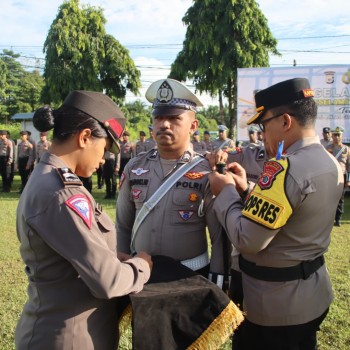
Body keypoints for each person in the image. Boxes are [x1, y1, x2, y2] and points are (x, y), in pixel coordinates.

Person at [208, 78, 344, 350]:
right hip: (311, 294)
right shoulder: (330, 161)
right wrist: (248, 189)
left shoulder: (285, 169)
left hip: (274, 307)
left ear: (285, 122)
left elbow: (247, 239)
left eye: (264, 124)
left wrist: (225, 193)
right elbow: (291, 213)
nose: (263, 133)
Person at [15, 90, 152, 350]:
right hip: (68, 338)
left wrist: (112, 256)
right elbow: (108, 281)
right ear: (85, 137)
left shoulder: (51, 179)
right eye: (104, 148)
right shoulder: (61, 193)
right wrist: (141, 265)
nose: (103, 159)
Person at [116, 78, 226, 284]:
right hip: (141, 277)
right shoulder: (134, 167)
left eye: (174, 118)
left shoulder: (206, 171)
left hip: (189, 278)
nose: (164, 124)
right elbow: (122, 225)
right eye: (158, 117)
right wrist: (120, 270)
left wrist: (218, 279)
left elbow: (218, 237)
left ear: (193, 126)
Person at [326, 126, 350, 226]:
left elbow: (349, 165)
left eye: (338, 135)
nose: (336, 137)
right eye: (335, 135)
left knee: (340, 199)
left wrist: (348, 180)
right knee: (328, 199)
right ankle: (329, 219)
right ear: (332, 135)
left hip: (342, 177)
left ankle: (338, 219)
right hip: (331, 176)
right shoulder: (327, 148)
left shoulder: (346, 149)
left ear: (341, 136)